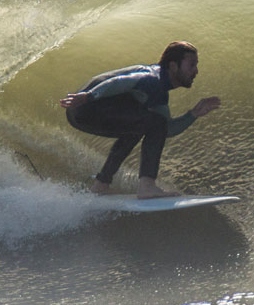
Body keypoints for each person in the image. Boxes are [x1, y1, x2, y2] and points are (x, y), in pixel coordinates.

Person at [59, 41, 221, 198]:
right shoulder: (153, 78)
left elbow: (166, 129)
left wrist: (193, 114)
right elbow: (120, 82)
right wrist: (89, 96)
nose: (196, 71)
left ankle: (101, 184)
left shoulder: (159, 90)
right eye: (191, 65)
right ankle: (147, 185)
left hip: (83, 110)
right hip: (86, 105)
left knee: (140, 125)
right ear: (173, 66)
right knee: (151, 122)